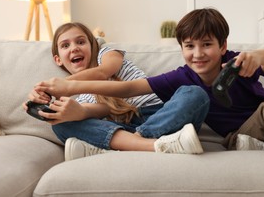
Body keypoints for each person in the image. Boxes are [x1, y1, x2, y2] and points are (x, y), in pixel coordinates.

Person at [35, 9, 264, 197]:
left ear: (223, 46)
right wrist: (66, 87)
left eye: (206, 45)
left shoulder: (237, 62)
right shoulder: (181, 78)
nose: (197, 54)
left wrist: (258, 56)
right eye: (189, 46)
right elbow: (128, 89)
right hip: (252, 124)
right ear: (181, 49)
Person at [25, 22, 210, 160]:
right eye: (65, 45)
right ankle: (153, 145)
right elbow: (101, 110)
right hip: (125, 128)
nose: (74, 48)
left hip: (160, 113)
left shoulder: (106, 53)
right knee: (60, 123)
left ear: (92, 45)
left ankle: (131, 144)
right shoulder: (80, 97)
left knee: (195, 94)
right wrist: (69, 108)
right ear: (58, 60)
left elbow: (105, 71)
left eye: (80, 42)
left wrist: (62, 85)